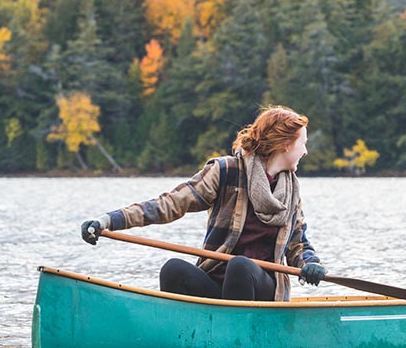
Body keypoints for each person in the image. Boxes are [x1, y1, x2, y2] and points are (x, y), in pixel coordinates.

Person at [81, 105, 326, 302]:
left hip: (262, 292)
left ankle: (235, 342)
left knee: (241, 266)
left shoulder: (292, 190)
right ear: (285, 144)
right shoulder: (226, 171)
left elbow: (298, 244)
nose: (305, 151)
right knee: (173, 269)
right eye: (302, 143)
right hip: (215, 283)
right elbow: (170, 204)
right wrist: (108, 220)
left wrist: (311, 264)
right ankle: (181, 341)